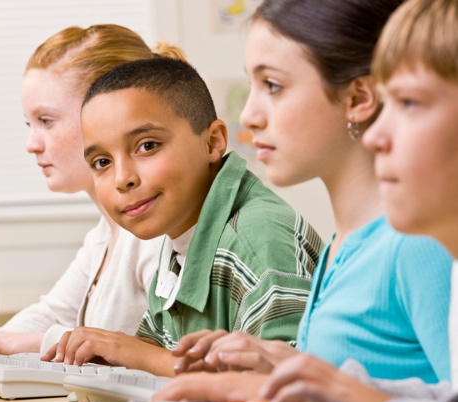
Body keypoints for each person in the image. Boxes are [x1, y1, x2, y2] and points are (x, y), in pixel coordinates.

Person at [151, 0, 455, 402]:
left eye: (273, 86)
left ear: (358, 98)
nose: (250, 115)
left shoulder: (418, 244)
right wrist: (284, 364)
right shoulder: (338, 246)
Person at [41, 56, 324, 377]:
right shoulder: (178, 245)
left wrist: (142, 356)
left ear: (213, 142)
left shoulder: (258, 238)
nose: (122, 178)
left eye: (147, 146)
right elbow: (156, 361)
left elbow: (288, 387)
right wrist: (116, 361)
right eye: (102, 162)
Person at [0, 24, 183, 356]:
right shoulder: (104, 235)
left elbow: (157, 350)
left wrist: (26, 341)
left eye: (46, 121)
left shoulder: (154, 233)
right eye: (29, 123)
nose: (31, 145)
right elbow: (53, 313)